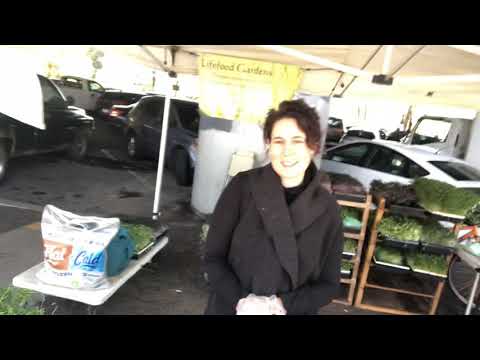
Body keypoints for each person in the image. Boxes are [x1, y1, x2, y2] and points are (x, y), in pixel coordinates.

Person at [204, 99, 344, 315]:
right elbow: (213, 258)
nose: (287, 151)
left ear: (313, 146)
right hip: (231, 309)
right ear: (268, 144)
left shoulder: (328, 210)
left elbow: (329, 284)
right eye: (279, 141)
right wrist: (242, 301)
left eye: (297, 140)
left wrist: (280, 305)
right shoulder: (242, 188)